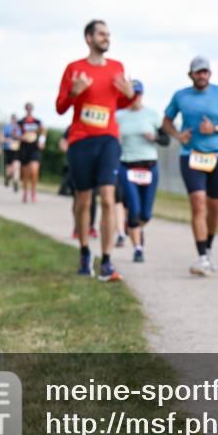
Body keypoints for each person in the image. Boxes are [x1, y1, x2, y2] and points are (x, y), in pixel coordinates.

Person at [55, 19, 138, 280]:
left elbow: (122, 103)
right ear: (88, 38)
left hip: (108, 140)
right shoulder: (74, 69)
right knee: (83, 201)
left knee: (108, 198)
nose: (107, 38)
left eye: (108, 34)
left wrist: (130, 95)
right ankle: (84, 253)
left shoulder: (117, 68)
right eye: (102, 34)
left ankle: (107, 262)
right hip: (81, 141)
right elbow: (60, 107)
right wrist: (74, 92)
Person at [161, 55, 218, 277]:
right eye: (198, 72)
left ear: (210, 73)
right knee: (198, 204)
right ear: (191, 75)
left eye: (205, 71)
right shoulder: (180, 96)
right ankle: (202, 257)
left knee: (214, 207)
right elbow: (166, 121)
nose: (202, 75)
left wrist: (215, 129)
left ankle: (208, 248)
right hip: (191, 156)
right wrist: (178, 135)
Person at [116, 80, 166, 263]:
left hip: (149, 167)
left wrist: (155, 137)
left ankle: (131, 225)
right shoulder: (119, 116)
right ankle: (138, 248)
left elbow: (166, 140)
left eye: (138, 94)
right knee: (134, 209)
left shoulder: (152, 115)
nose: (134, 97)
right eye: (132, 93)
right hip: (127, 166)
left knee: (146, 214)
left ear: (142, 94)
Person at [18, 103, 46, 203]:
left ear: (32, 109)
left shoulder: (37, 121)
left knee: (34, 171)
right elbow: (15, 133)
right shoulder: (21, 122)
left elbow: (43, 131)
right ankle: (25, 192)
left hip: (34, 148)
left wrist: (42, 142)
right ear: (25, 109)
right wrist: (21, 137)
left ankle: (33, 192)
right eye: (27, 108)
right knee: (25, 174)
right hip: (24, 148)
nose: (29, 110)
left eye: (30, 108)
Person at [2, 113, 22, 192]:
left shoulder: (19, 128)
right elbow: (2, 137)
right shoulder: (6, 127)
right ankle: (7, 177)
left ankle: (15, 182)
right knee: (9, 168)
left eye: (15, 119)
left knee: (16, 166)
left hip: (17, 149)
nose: (14, 120)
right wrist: (7, 140)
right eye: (13, 118)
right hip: (8, 149)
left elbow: (21, 138)